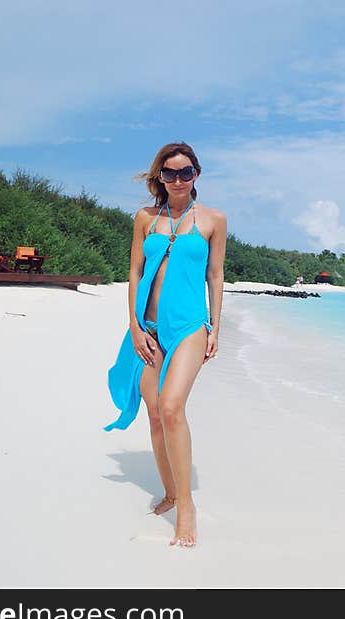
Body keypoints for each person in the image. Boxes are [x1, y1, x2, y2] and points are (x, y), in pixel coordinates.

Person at [104, 142, 227, 548]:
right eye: (170, 173)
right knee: (155, 412)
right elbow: (135, 272)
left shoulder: (213, 219)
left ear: (197, 174)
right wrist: (135, 327)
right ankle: (170, 491)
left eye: (185, 172)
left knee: (172, 406)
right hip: (150, 326)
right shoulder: (144, 218)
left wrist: (215, 327)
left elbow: (215, 274)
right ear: (160, 176)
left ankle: (186, 506)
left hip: (190, 325)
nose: (178, 179)